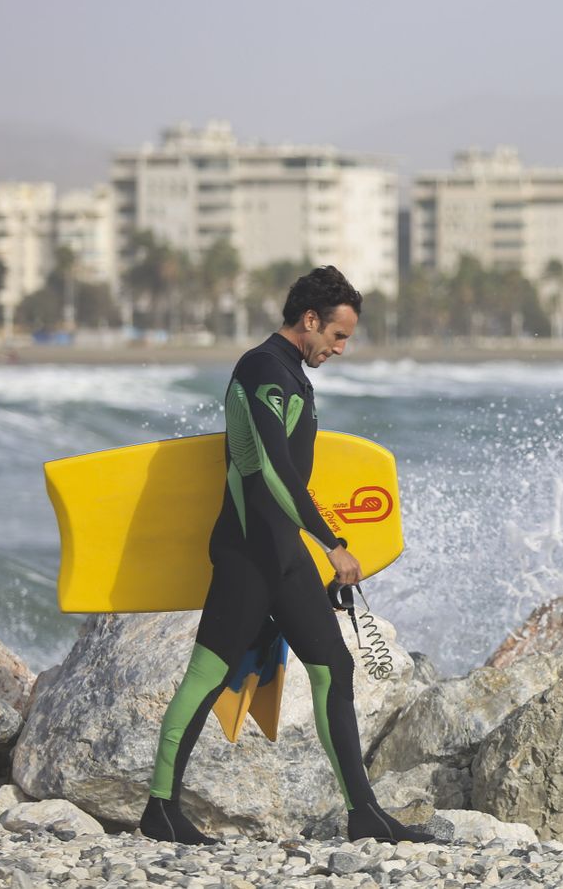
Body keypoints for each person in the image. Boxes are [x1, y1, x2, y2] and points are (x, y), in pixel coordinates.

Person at [141, 265, 429, 845]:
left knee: (334, 668)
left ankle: (364, 814)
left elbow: (294, 477)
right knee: (207, 676)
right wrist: (332, 544)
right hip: (249, 552)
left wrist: (315, 553)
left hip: (283, 552)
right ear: (310, 319)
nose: (340, 348)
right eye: (338, 335)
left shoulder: (293, 375)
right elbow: (273, 472)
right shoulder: (262, 370)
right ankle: (160, 810)